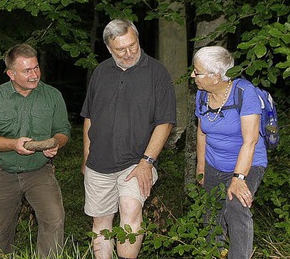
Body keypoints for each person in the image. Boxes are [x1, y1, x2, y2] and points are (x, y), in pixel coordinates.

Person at [81, 19, 176, 259]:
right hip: (99, 163)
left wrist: (147, 161)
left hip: (136, 161)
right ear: (109, 49)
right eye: (120, 50)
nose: (129, 53)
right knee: (100, 222)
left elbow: (165, 122)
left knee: (130, 211)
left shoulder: (157, 73)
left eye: (132, 45)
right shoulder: (101, 72)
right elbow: (89, 118)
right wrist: (86, 156)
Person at [0, 43, 71, 258]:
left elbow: (63, 131)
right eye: (27, 70)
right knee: (2, 230)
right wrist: (13, 144)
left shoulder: (52, 96)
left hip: (39, 171)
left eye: (36, 68)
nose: (34, 74)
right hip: (3, 173)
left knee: (54, 218)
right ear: (11, 73)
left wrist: (56, 143)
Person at [191, 46, 267, 259]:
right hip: (214, 162)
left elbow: (250, 142)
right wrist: (201, 167)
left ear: (215, 77)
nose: (192, 75)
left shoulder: (245, 93)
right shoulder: (202, 95)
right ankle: (214, 254)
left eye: (197, 72)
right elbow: (201, 133)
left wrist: (238, 178)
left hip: (248, 162)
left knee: (235, 206)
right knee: (211, 213)